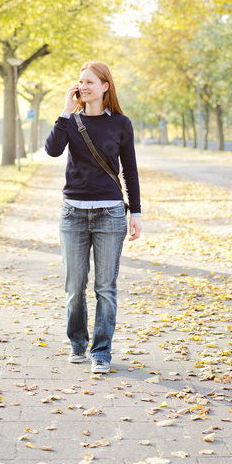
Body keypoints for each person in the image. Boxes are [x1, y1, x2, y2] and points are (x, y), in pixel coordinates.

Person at [44, 61, 141, 374]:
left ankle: (101, 353)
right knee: (74, 287)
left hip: (110, 214)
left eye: (89, 82)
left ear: (104, 87)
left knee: (105, 289)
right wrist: (64, 111)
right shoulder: (71, 121)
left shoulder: (121, 124)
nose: (83, 87)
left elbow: (130, 170)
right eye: (80, 82)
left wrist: (135, 212)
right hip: (72, 213)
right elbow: (52, 150)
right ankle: (77, 344)